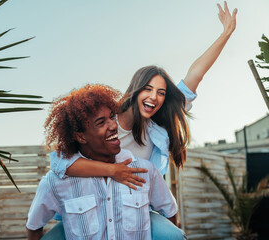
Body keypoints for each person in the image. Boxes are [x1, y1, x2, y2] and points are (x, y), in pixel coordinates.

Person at [49, 1, 237, 239]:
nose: (154, 97)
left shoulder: (156, 130)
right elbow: (60, 163)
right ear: (136, 90)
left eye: (161, 92)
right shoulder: (104, 120)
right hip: (89, 209)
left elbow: (194, 76)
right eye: (148, 89)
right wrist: (113, 171)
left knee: (174, 236)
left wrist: (226, 33)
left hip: (134, 211)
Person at [26, 84, 179, 240]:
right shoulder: (56, 182)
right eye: (101, 122)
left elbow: (170, 216)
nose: (113, 126)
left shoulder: (145, 171)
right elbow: (34, 227)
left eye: (112, 117)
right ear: (81, 137)